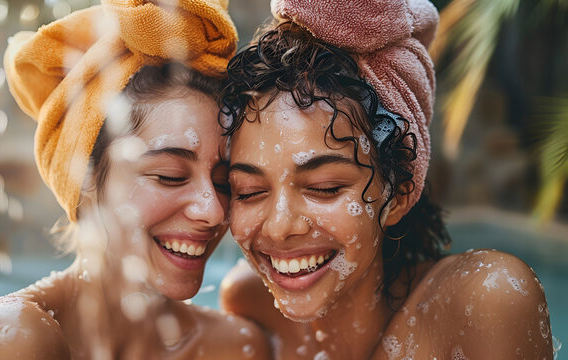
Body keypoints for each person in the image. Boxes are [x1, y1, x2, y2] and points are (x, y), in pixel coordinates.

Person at [218, 0, 554, 359]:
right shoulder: (249, 301)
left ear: (399, 191)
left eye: (324, 188)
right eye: (249, 192)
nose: (279, 227)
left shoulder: (486, 299)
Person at [0, 1, 269, 359]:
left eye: (224, 183)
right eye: (170, 176)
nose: (212, 211)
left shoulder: (235, 347)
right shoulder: (15, 337)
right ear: (83, 174)